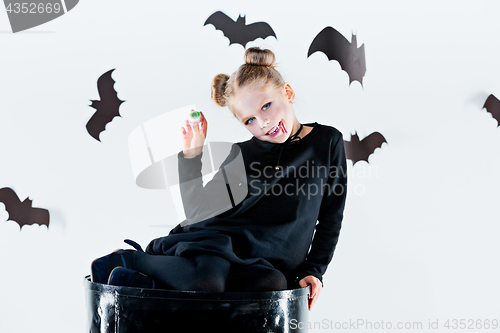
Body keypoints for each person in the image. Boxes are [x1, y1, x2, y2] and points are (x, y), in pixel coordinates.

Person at [91, 47, 347, 310]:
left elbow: (331, 215)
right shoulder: (242, 155)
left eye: (266, 106)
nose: (263, 123)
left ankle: (138, 282)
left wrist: (314, 270)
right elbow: (198, 210)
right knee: (207, 284)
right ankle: (128, 262)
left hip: (264, 261)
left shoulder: (326, 142)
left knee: (272, 285)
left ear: (288, 93)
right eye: (250, 120)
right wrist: (192, 155)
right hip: (216, 244)